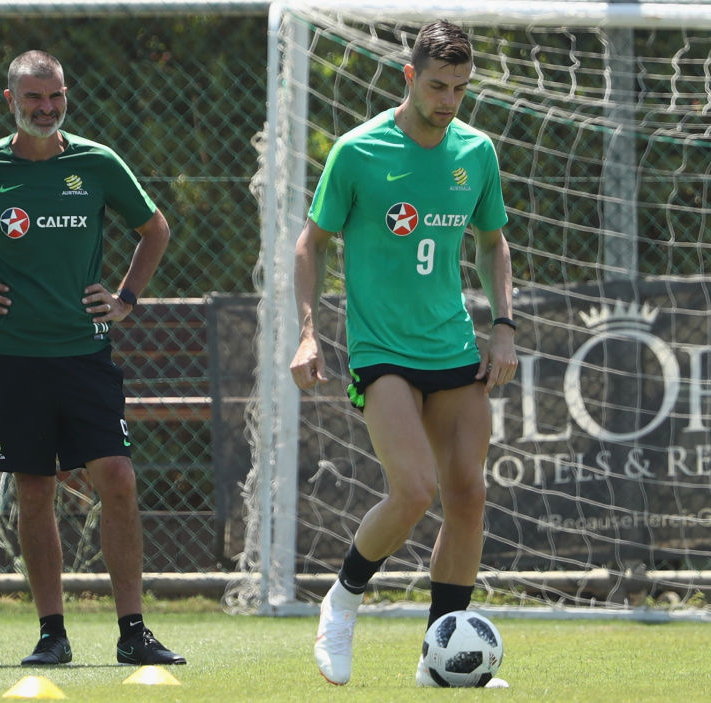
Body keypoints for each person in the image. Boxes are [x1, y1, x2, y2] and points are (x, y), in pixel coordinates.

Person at [0, 50, 185, 667]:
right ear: (9, 102)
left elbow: (155, 228)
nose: (45, 109)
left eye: (56, 97)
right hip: (15, 359)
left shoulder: (96, 163)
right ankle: (52, 633)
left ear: (66, 96)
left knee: (118, 480)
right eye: (32, 99)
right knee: (35, 488)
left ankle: (133, 631)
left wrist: (125, 297)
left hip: (86, 356)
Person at [288, 20, 517, 688]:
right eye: (438, 85)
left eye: (461, 87)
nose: (449, 99)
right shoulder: (359, 152)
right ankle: (342, 600)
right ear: (409, 77)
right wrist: (308, 328)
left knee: (468, 494)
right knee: (414, 489)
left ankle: (439, 657)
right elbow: (312, 243)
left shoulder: (476, 152)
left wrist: (503, 325)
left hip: (452, 343)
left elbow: (493, 241)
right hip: (381, 346)